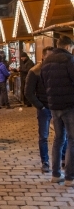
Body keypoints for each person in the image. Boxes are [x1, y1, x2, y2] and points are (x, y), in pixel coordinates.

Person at [26, 46, 67, 173]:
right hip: (44, 107)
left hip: (57, 106)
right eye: (49, 56)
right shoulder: (35, 71)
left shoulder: (57, 69)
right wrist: (40, 106)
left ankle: (64, 159)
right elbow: (28, 92)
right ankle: (45, 161)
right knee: (44, 136)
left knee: (62, 136)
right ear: (43, 56)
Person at [41, 35, 74, 185]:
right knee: (72, 140)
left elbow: (43, 82)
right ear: (67, 47)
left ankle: (55, 174)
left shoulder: (46, 62)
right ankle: (69, 177)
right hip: (69, 105)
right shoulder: (70, 60)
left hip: (53, 105)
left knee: (58, 139)